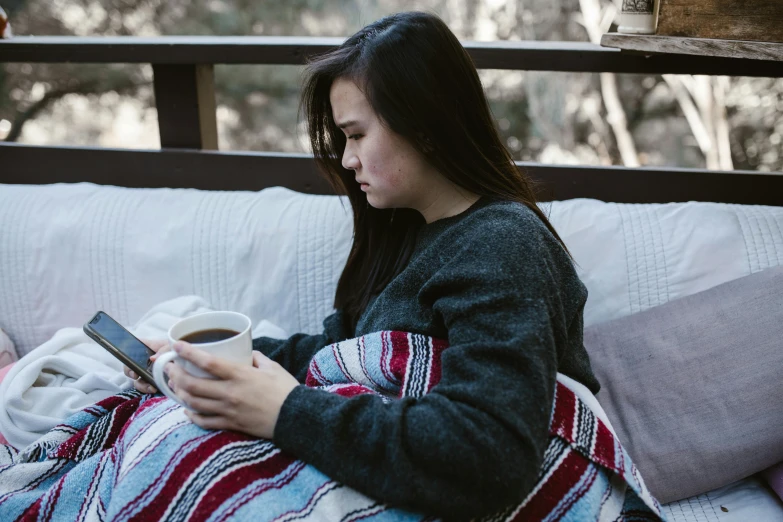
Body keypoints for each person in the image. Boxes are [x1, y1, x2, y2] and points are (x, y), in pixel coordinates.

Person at [125, 11, 601, 520]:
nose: (347, 160)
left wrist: (284, 411)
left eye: (355, 135)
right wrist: (218, 360)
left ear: (425, 128)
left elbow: (489, 452)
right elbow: (341, 349)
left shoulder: (504, 246)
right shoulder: (404, 231)